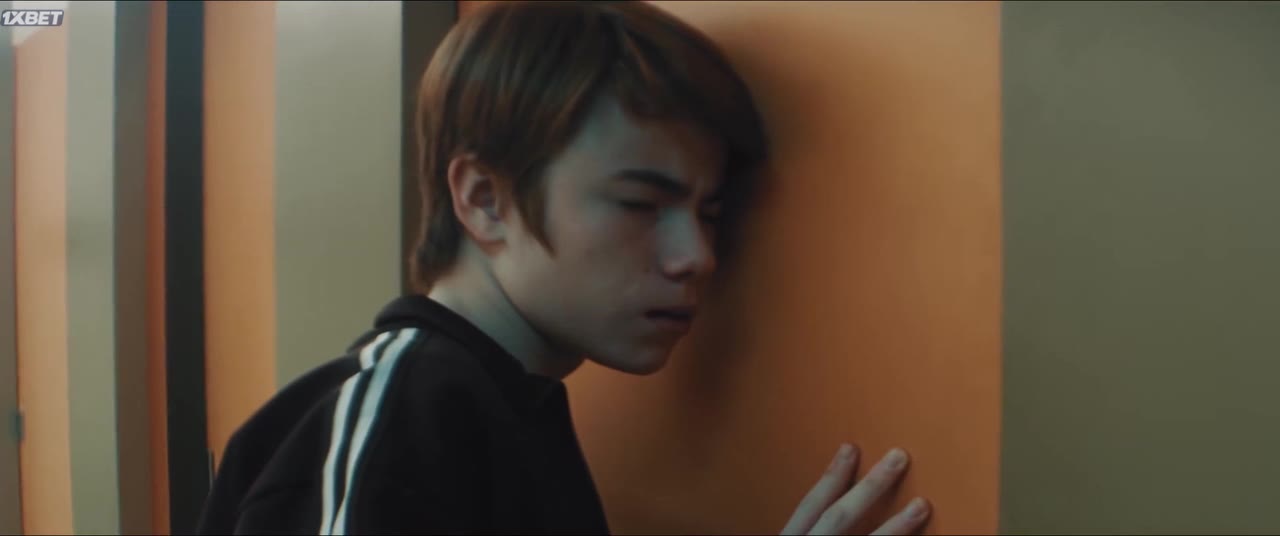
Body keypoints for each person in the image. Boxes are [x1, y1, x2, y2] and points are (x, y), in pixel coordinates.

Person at [196, 1, 933, 534]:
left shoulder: (505, 406)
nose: (697, 257)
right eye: (641, 204)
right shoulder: (403, 416)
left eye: (709, 213)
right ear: (484, 200)